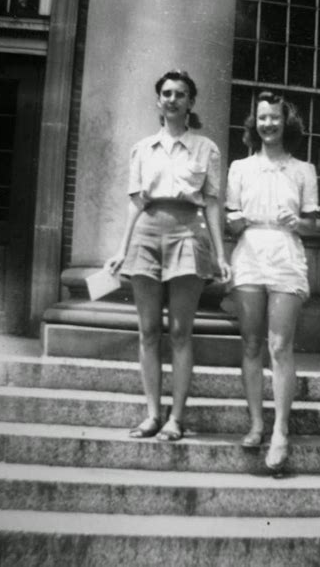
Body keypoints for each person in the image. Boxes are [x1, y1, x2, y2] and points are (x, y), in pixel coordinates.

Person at [106, 69, 231, 441]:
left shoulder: (206, 148)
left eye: (180, 94)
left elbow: (211, 206)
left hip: (187, 233)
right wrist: (120, 249)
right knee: (147, 330)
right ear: (158, 101)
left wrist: (221, 254)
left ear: (191, 102)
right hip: (146, 233)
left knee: (179, 331)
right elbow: (134, 204)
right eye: (166, 93)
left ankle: (176, 418)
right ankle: (151, 415)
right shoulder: (141, 149)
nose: (172, 99)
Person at [225, 91, 320, 471]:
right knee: (251, 343)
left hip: (284, 255)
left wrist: (300, 223)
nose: (268, 124)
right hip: (249, 253)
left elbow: (311, 223)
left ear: (286, 123)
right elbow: (232, 219)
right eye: (262, 118)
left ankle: (281, 429)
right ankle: (256, 422)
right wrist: (234, 222)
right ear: (255, 123)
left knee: (279, 345)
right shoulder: (239, 168)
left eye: (275, 118)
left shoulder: (303, 170)